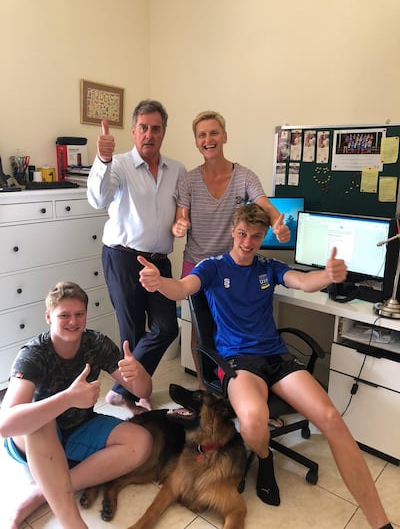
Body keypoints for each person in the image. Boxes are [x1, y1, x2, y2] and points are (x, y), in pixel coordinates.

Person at [138, 203, 393, 529]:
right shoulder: (212, 267)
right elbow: (183, 288)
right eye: (242, 234)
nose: (247, 243)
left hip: (276, 356)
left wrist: (327, 277)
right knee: (255, 423)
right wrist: (160, 283)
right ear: (233, 231)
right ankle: (264, 457)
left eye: (256, 237)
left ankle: (380, 523)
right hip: (238, 362)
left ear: (262, 238)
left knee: (331, 418)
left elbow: (301, 281)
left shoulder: (267, 266)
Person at [0, 282, 153, 529]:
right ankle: (71, 521)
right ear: (49, 317)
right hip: (35, 437)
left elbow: (143, 392)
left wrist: (139, 374)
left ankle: (43, 492)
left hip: (79, 428)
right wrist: (68, 398)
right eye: (64, 315)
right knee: (42, 420)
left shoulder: (97, 344)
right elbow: (5, 425)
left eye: (79, 314)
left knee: (142, 442)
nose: (73, 322)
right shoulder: (34, 354)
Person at [172, 110, 290, 390]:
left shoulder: (244, 176)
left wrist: (277, 223)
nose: (208, 139)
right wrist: (179, 226)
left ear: (224, 137)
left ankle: (244, 388)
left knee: (236, 330)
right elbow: (181, 216)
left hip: (232, 267)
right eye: (202, 135)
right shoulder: (188, 180)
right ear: (196, 142)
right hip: (197, 264)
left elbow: (263, 204)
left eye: (214, 133)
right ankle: (205, 390)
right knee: (199, 333)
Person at [87, 99, 186, 414]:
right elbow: (97, 198)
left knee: (166, 326)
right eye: (143, 128)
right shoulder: (118, 164)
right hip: (123, 257)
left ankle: (122, 388)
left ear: (164, 132)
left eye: (156, 128)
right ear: (133, 130)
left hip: (159, 261)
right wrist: (102, 159)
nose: (149, 134)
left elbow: (181, 209)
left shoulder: (177, 169)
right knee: (131, 331)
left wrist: (182, 222)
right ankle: (134, 393)